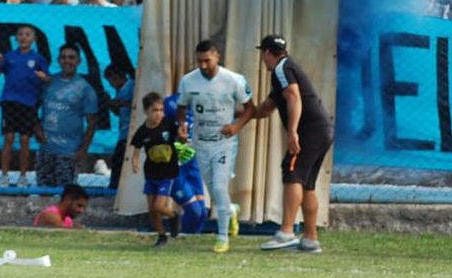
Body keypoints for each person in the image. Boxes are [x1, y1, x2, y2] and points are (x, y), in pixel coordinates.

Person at [233, 35, 333, 253]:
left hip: (309, 130)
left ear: (268, 53)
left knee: (293, 172)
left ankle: (286, 232)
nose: (262, 59)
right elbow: (264, 110)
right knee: (307, 184)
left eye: (263, 54)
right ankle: (310, 239)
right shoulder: (286, 71)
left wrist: (293, 132)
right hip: (322, 130)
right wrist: (235, 112)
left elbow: (294, 97)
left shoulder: (282, 69)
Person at [175, 40, 254, 253]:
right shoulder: (188, 81)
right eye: (199, 61)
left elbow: (250, 109)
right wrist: (181, 126)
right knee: (214, 191)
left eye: (207, 61)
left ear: (217, 57)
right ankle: (230, 210)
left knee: (219, 187)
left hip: (224, 142)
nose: (202, 65)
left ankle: (222, 237)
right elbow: (181, 108)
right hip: (201, 142)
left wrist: (236, 126)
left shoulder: (234, 80)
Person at [0, 24, 50, 187]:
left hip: (29, 103)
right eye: (20, 34)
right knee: (9, 138)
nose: (24, 37)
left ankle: (23, 177)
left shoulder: (38, 59)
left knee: (25, 139)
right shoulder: (9, 56)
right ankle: (4, 176)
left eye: (28, 34)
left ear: (34, 39)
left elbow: (48, 79)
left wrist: (43, 77)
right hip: (10, 102)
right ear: (16, 38)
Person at [35, 43, 97, 187]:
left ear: (78, 61)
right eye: (63, 57)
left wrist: (83, 151)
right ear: (58, 60)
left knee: (64, 195)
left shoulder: (85, 88)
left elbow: (92, 123)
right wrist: (36, 128)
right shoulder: (48, 82)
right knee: (43, 193)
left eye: (71, 57)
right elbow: (30, 107)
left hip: (69, 152)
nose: (67, 61)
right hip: (45, 150)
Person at [130, 91, 179, 247]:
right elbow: (136, 150)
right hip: (151, 173)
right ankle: (161, 236)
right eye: (154, 110)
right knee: (152, 209)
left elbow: (181, 137)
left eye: (161, 110)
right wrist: (135, 162)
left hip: (167, 173)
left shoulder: (168, 124)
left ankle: (173, 216)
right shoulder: (142, 131)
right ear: (146, 111)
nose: (159, 114)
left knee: (159, 206)